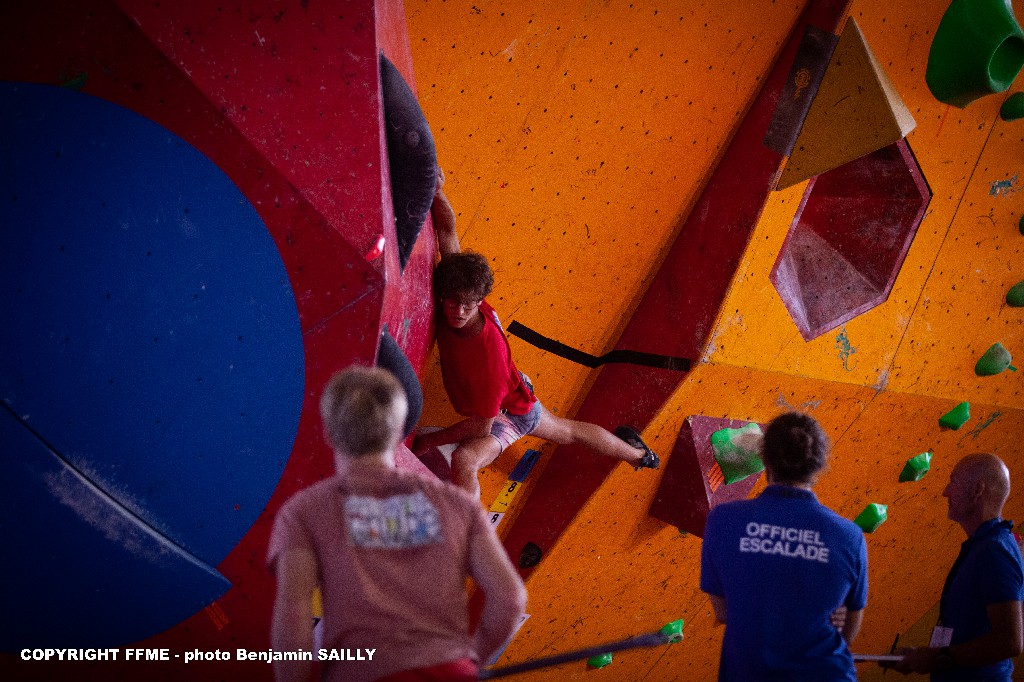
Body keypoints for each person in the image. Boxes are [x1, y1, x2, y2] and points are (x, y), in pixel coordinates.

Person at [268, 366, 527, 682]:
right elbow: (510, 598)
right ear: (398, 430)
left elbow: (293, 616)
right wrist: (470, 663)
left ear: (329, 433)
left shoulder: (304, 512)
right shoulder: (458, 504)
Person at [412, 179, 660, 499]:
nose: (458, 312)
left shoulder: (485, 359)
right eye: (453, 303)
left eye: (468, 306)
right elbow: (448, 232)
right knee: (566, 431)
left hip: (510, 413)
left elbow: (481, 427)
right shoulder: (460, 283)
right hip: (512, 389)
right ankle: (639, 454)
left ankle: (470, 529)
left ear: (479, 301)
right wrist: (436, 190)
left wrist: (430, 440)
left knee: (465, 460)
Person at [699, 412, 867, 681]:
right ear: (818, 464)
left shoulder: (723, 520)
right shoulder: (849, 535)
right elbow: (849, 624)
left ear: (765, 458)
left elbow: (724, 612)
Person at [888, 453, 1024, 679]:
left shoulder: (994, 551)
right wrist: (924, 655)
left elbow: (1009, 642)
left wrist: (941, 656)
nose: (945, 492)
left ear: (978, 490)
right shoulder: (982, 546)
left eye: (953, 481)